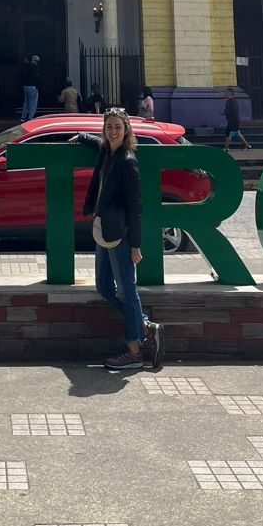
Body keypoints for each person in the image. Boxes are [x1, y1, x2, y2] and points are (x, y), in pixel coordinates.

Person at [73, 109, 163, 372]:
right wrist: (80, 136)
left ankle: (135, 351)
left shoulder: (126, 160)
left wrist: (135, 244)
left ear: (126, 131)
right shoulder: (106, 150)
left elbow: (136, 206)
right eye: (109, 127)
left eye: (117, 128)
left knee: (126, 290)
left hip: (120, 235)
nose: (113, 132)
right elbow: (96, 142)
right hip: (104, 230)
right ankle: (144, 325)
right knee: (103, 286)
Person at [20, 55, 41, 120]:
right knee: (33, 102)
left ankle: (23, 117)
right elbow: (35, 76)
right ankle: (30, 117)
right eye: (37, 61)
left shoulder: (26, 67)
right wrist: (38, 76)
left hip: (25, 86)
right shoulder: (33, 68)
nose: (37, 63)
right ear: (33, 61)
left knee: (26, 102)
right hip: (32, 86)